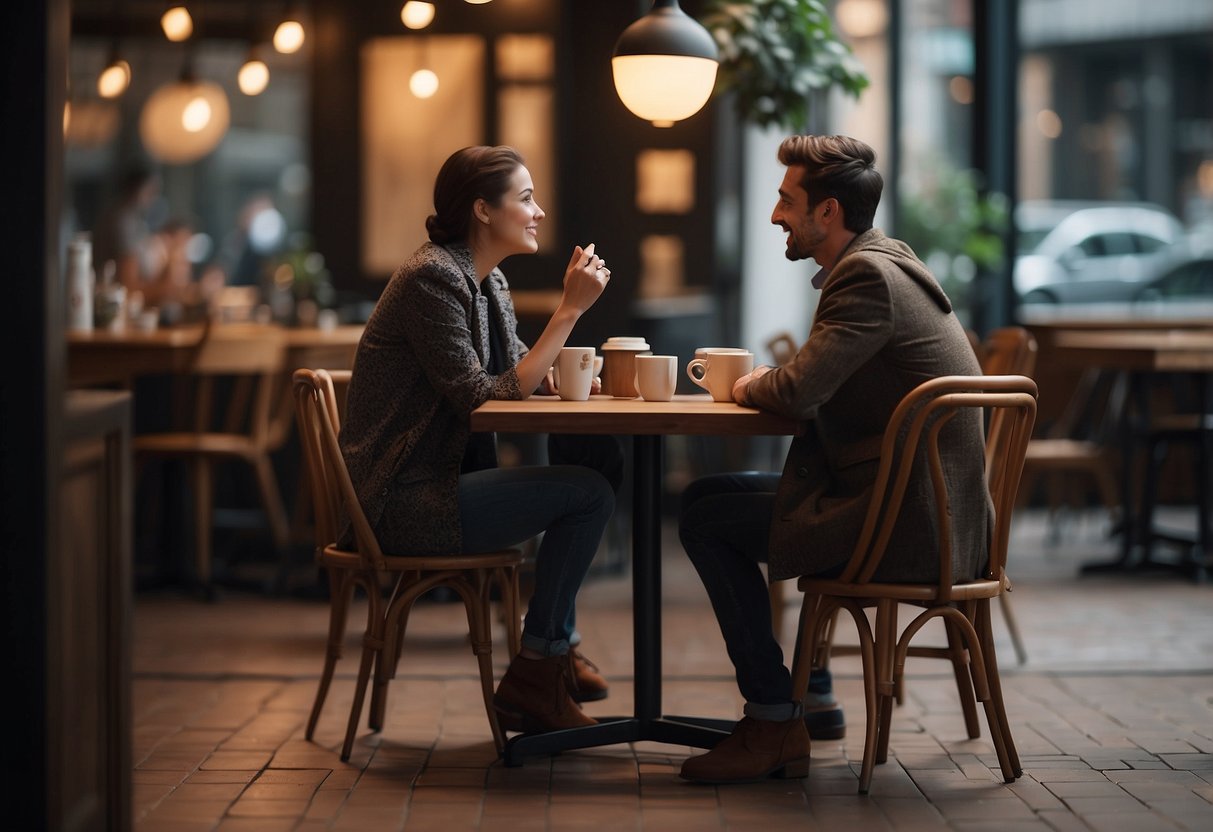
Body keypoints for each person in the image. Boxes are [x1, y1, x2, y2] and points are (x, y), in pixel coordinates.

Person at [677, 135, 989, 784]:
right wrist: (774, 378)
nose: (773, 216)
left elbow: (796, 390)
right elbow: (818, 383)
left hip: (907, 523)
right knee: (708, 496)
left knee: (703, 522)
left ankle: (772, 718)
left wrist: (742, 383)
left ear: (827, 213)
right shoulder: (885, 261)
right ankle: (809, 693)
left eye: (786, 201)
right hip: (924, 506)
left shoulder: (866, 277)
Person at [340, 145, 617, 734]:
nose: (538, 211)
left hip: (441, 483)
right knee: (588, 494)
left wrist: (583, 371)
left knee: (591, 458)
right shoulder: (432, 278)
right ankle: (539, 670)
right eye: (525, 198)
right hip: (404, 498)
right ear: (483, 211)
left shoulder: (488, 284)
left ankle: (554, 646)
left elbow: (521, 378)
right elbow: (479, 396)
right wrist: (568, 311)